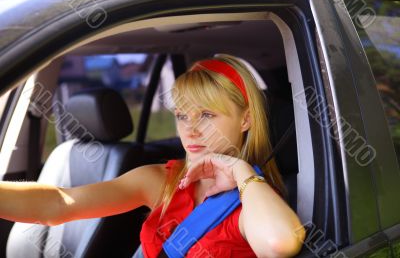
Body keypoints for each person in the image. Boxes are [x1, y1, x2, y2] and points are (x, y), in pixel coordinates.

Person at [0, 54, 306, 257]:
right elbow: (58, 204)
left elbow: (279, 243)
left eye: (207, 115)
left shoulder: (256, 198)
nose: (191, 130)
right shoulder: (163, 179)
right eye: (182, 116)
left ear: (246, 119)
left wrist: (240, 171)